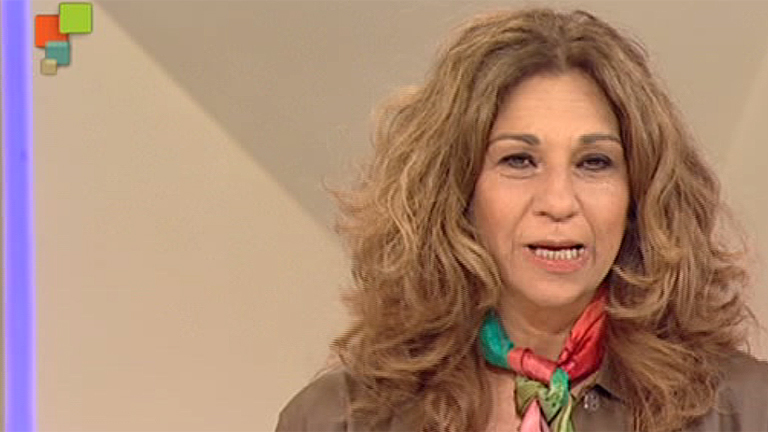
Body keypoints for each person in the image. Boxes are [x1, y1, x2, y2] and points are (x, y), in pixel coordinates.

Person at [275, 7, 768, 432]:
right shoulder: (340, 417)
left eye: (594, 163)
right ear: (457, 191)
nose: (559, 201)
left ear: (638, 195)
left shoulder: (745, 408)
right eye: (519, 161)